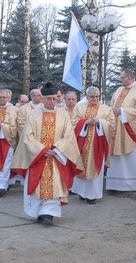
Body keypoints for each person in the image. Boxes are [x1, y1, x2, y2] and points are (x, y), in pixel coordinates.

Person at [11, 82, 83, 225]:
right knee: (37, 186)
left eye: (54, 98)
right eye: (49, 99)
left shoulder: (63, 114)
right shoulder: (34, 114)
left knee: (55, 185)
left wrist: (56, 149)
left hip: (56, 157)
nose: (52, 101)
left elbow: (69, 136)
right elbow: (27, 136)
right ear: (42, 99)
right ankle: (39, 212)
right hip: (38, 157)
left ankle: (49, 213)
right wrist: (43, 150)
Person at [71, 86, 115, 204]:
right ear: (87, 96)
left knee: (95, 166)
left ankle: (92, 195)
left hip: (97, 144)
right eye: (92, 96)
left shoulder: (106, 109)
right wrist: (85, 122)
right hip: (82, 143)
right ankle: (81, 192)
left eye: (97, 96)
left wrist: (99, 122)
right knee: (80, 166)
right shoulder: (79, 108)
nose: (95, 99)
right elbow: (73, 122)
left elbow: (111, 125)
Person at [106, 69, 136, 192]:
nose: (121, 79)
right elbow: (112, 105)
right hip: (115, 128)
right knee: (115, 159)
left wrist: (123, 111)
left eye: (122, 77)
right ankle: (114, 185)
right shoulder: (119, 90)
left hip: (129, 130)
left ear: (129, 77)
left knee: (130, 156)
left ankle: (132, 184)